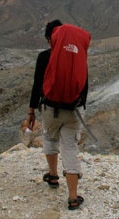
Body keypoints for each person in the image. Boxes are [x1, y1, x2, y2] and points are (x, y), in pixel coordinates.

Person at [27, 19, 88, 210]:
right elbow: (84, 86)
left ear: (49, 38)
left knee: (50, 139)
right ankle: (72, 197)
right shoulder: (77, 56)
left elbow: (37, 85)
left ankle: (53, 176)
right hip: (74, 111)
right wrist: (80, 108)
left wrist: (31, 110)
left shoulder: (44, 57)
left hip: (50, 109)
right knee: (69, 148)